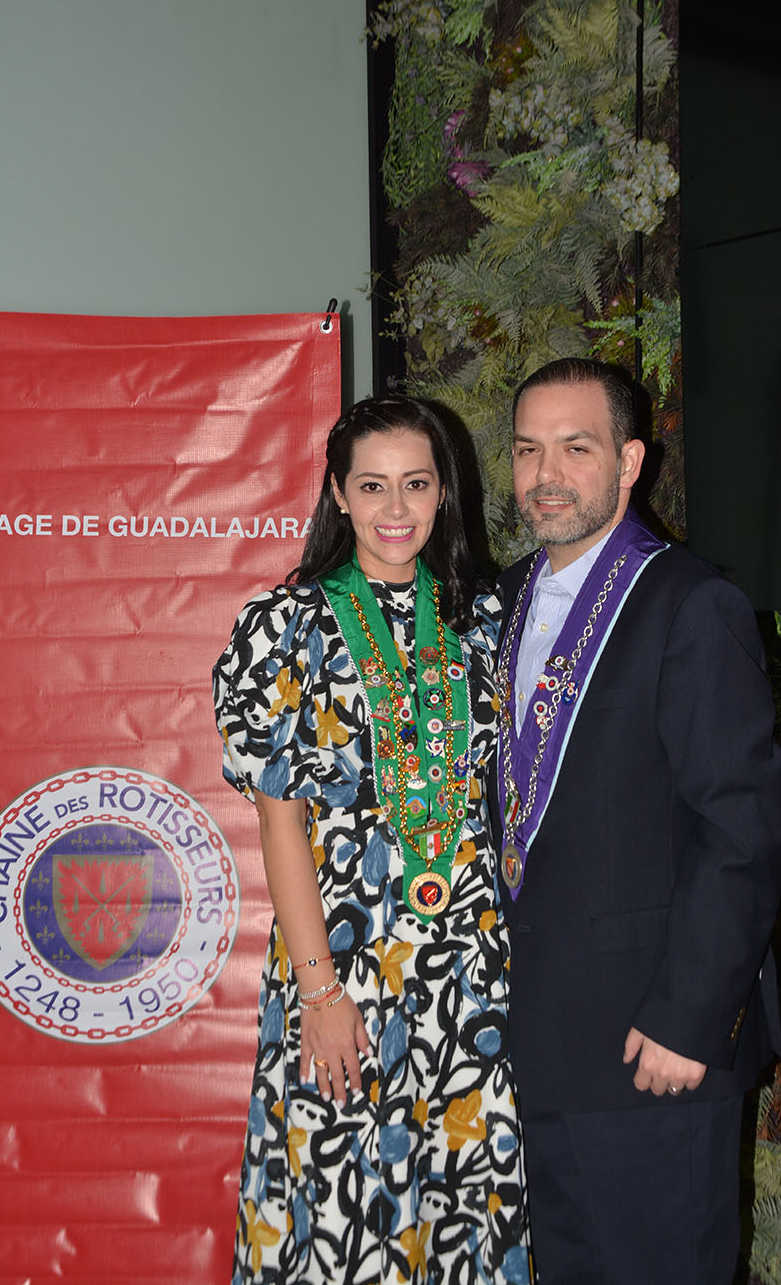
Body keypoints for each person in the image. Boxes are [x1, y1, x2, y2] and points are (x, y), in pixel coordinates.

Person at [214, 396, 533, 1285]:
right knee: (338, 1215)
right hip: (344, 969)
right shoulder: (284, 629)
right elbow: (280, 821)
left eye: (417, 485)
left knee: (465, 1208)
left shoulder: (489, 622)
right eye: (373, 485)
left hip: (472, 977)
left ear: (445, 494)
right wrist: (319, 993)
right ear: (338, 494)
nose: (397, 509)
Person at [494, 358, 781, 1285]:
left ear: (629, 461)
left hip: (647, 1049)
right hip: (515, 1048)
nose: (547, 474)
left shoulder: (690, 604)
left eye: (575, 448)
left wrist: (692, 1019)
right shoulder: (494, 604)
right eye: (528, 449)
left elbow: (739, 832)